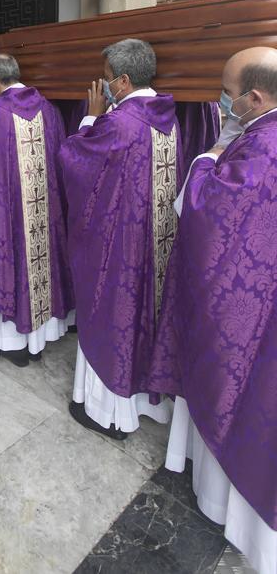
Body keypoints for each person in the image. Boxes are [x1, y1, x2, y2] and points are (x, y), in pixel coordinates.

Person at [149, 47, 277, 574]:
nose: (222, 102)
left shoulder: (261, 148)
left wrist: (204, 160)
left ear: (253, 96)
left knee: (240, 389)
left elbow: (206, 214)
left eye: (227, 92)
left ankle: (223, 499)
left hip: (250, 311)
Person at [59, 39, 181, 439]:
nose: (104, 86)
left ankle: (107, 412)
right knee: (148, 315)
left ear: (124, 81)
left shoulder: (119, 123)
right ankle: (148, 403)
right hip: (155, 241)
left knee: (114, 315)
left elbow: (75, 162)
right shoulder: (168, 117)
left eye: (107, 79)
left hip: (119, 248)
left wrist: (90, 118)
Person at [0, 53, 74, 366]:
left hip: (9, 211)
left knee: (11, 261)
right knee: (41, 259)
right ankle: (40, 338)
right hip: (46, 208)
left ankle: (13, 342)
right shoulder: (49, 110)